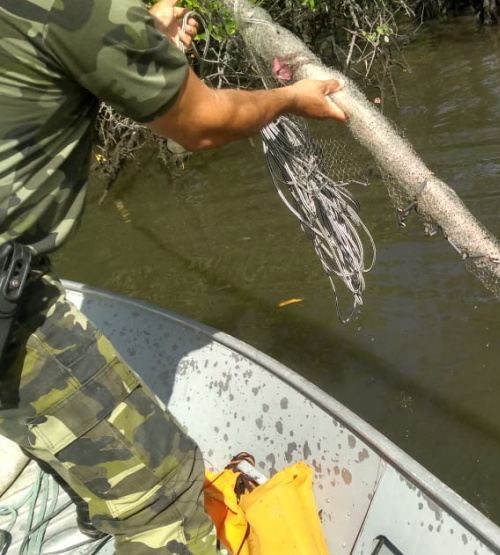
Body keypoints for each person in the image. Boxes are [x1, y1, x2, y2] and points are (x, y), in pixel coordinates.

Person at [0, 0, 346, 553]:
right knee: (165, 493)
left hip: (17, 273)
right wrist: (290, 98)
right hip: (10, 295)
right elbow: (204, 123)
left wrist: (140, 34)